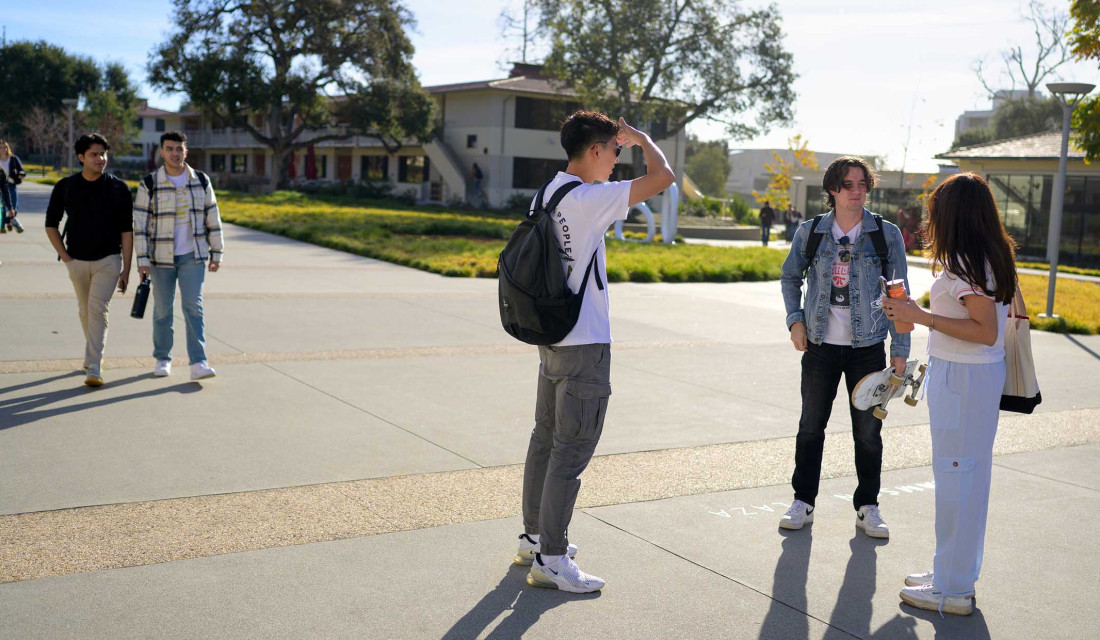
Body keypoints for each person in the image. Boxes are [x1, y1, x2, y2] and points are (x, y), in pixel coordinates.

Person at [517, 110, 674, 594]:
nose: (616, 160)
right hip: (584, 340)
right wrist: (646, 138)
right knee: (572, 449)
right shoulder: (590, 198)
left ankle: (535, 537)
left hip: (551, 337)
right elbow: (664, 178)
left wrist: (630, 143)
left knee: (545, 438)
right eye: (614, 150)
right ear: (593, 151)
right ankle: (554, 557)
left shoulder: (548, 193)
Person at [883, 173, 1016, 616]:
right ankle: (951, 574)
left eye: (935, 210)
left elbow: (984, 329)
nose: (929, 219)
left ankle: (953, 588)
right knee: (967, 478)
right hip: (971, 377)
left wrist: (919, 315)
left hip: (964, 378)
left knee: (958, 478)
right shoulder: (986, 255)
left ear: (954, 214)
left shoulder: (964, 262)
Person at [778, 156, 910, 538]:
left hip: (867, 347)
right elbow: (790, 277)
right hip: (819, 346)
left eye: (862, 184)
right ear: (832, 190)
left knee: (868, 433)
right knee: (810, 427)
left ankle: (868, 506)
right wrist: (795, 320)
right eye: (849, 185)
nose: (857, 192)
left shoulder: (885, 235)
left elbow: (900, 293)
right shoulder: (812, 232)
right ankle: (803, 500)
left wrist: (900, 349)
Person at [44, 133, 134, 387]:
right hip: (77, 261)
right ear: (81, 157)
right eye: (94, 154)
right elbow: (51, 225)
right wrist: (66, 258)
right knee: (85, 311)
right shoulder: (65, 186)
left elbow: (127, 231)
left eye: (103, 154)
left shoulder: (119, 188)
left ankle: (94, 366)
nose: (101, 159)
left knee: (97, 308)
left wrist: (126, 268)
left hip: (109, 259)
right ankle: (92, 354)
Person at [134, 130, 224, 380]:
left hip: (192, 256)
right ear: (161, 152)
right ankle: (162, 358)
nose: (175, 153)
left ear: (186, 151)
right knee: (162, 309)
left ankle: (198, 362)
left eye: (179, 148)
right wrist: (142, 260)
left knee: (193, 308)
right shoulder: (150, 183)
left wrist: (216, 251)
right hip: (160, 257)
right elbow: (140, 225)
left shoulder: (201, 180)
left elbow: (212, 217)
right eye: (170, 148)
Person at [0, 141, 26, 233]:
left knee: (14, 207)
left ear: (8, 148)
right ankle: (2, 226)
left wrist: (21, 174)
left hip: (11, 185)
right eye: (1, 147)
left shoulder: (13, 159)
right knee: (2, 207)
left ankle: (10, 221)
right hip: (1, 186)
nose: (3, 149)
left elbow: (22, 170)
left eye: (5, 147)